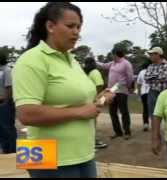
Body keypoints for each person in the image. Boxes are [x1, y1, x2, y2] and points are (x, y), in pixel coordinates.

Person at [12, 2, 114, 178]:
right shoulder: (30, 60)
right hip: (46, 157)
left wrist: (98, 99)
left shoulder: (72, 60)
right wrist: (79, 112)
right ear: (50, 26)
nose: (76, 32)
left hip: (82, 153)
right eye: (70, 26)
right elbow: (26, 114)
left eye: (78, 27)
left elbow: (74, 101)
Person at [97, 48, 134, 140]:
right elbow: (104, 66)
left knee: (124, 112)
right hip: (112, 91)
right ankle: (118, 132)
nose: (111, 56)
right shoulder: (112, 63)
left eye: (112, 54)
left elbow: (130, 77)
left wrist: (129, 87)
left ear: (116, 54)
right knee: (112, 112)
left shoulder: (126, 63)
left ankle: (127, 132)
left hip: (121, 89)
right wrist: (95, 61)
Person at [83, 57, 108, 149]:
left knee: (91, 121)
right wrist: (98, 98)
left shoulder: (90, 73)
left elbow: (98, 85)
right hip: (92, 101)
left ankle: (90, 140)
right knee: (92, 122)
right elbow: (100, 85)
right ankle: (93, 141)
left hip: (89, 100)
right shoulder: (94, 72)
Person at [144, 47, 167, 119]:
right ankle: (155, 130)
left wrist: (152, 77)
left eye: (151, 54)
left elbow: (165, 77)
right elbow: (146, 78)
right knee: (153, 113)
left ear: (158, 54)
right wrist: (157, 76)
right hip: (152, 91)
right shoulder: (150, 66)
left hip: (166, 91)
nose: (150, 56)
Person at [0, 52, 17, 154]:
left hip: (5, 103)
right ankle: (5, 149)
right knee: (1, 128)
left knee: (7, 127)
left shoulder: (7, 70)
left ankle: (12, 151)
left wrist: (6, 101)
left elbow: (9, 87)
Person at [136, 62, 151, 131]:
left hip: (144, 93)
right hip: (152, 92)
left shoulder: (141, 72)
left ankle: (146, 124)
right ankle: (155, 123)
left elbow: (139, 84)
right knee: (154, 109)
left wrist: (138, 94)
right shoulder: (153, 70)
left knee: (145, 109)